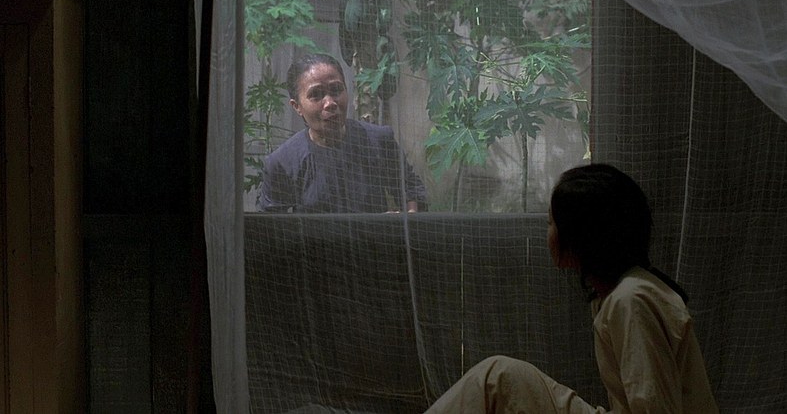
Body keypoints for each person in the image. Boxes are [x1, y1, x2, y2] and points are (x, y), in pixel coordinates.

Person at [425, 163, 718, 413]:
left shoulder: (631, 300)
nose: (548, 232)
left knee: (497, 376)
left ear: (581, 237)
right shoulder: (621, 292)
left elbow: (655, 407)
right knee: (499, 376)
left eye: (551, 223)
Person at [258, 53, 426, 213]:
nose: (330, 103)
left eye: (336, 90)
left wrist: (408, 216)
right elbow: (270, 223)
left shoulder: (378, 141)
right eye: (316, 95)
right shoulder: (283, 162)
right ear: (297, 106)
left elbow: (410, 188)